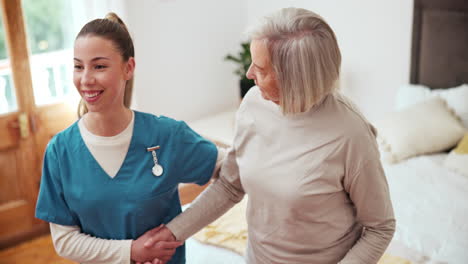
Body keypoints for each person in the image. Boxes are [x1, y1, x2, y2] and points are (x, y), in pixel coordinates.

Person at [144, 7, 396, 264]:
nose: (249, 74)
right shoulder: (253, 103)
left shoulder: (351, 134)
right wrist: (171, 234)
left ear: (296, 78)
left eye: (261, 69)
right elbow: (231, 185)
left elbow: (380, 227)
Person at [35, 13, 222, 264]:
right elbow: (64, 240)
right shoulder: (59, 152)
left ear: (128, 68)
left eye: (99, 66)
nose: (86, 79)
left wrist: (175, 231)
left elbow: (232, 173)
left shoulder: (167, 135)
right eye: (78, 66)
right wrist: (131, 252)